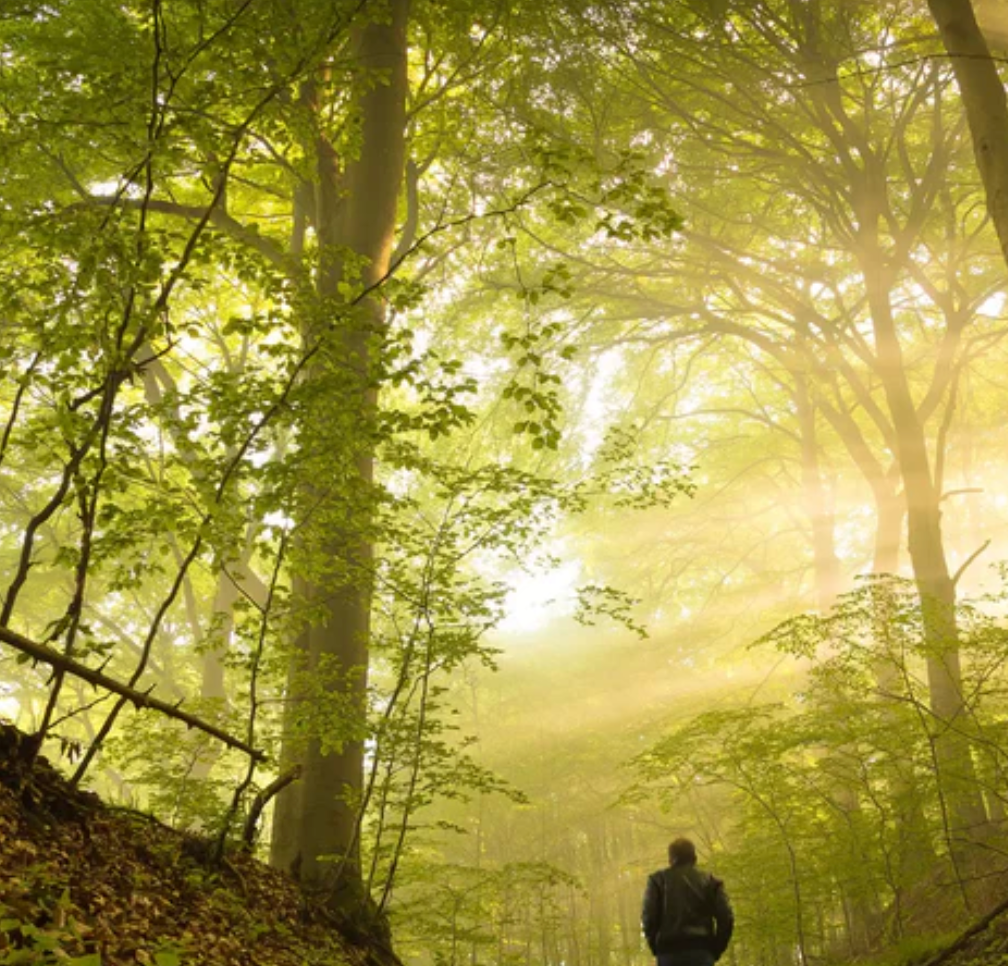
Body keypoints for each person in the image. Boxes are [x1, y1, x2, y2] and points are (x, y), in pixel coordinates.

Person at [642, 838, 734, 966]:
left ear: (671, 859)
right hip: (701, 952)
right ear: (694, 857)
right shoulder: (711, 882)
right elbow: (726, 917)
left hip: (669, 952)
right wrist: (716, 949)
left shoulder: (657, 881)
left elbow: (648, 917)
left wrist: (657, 947)